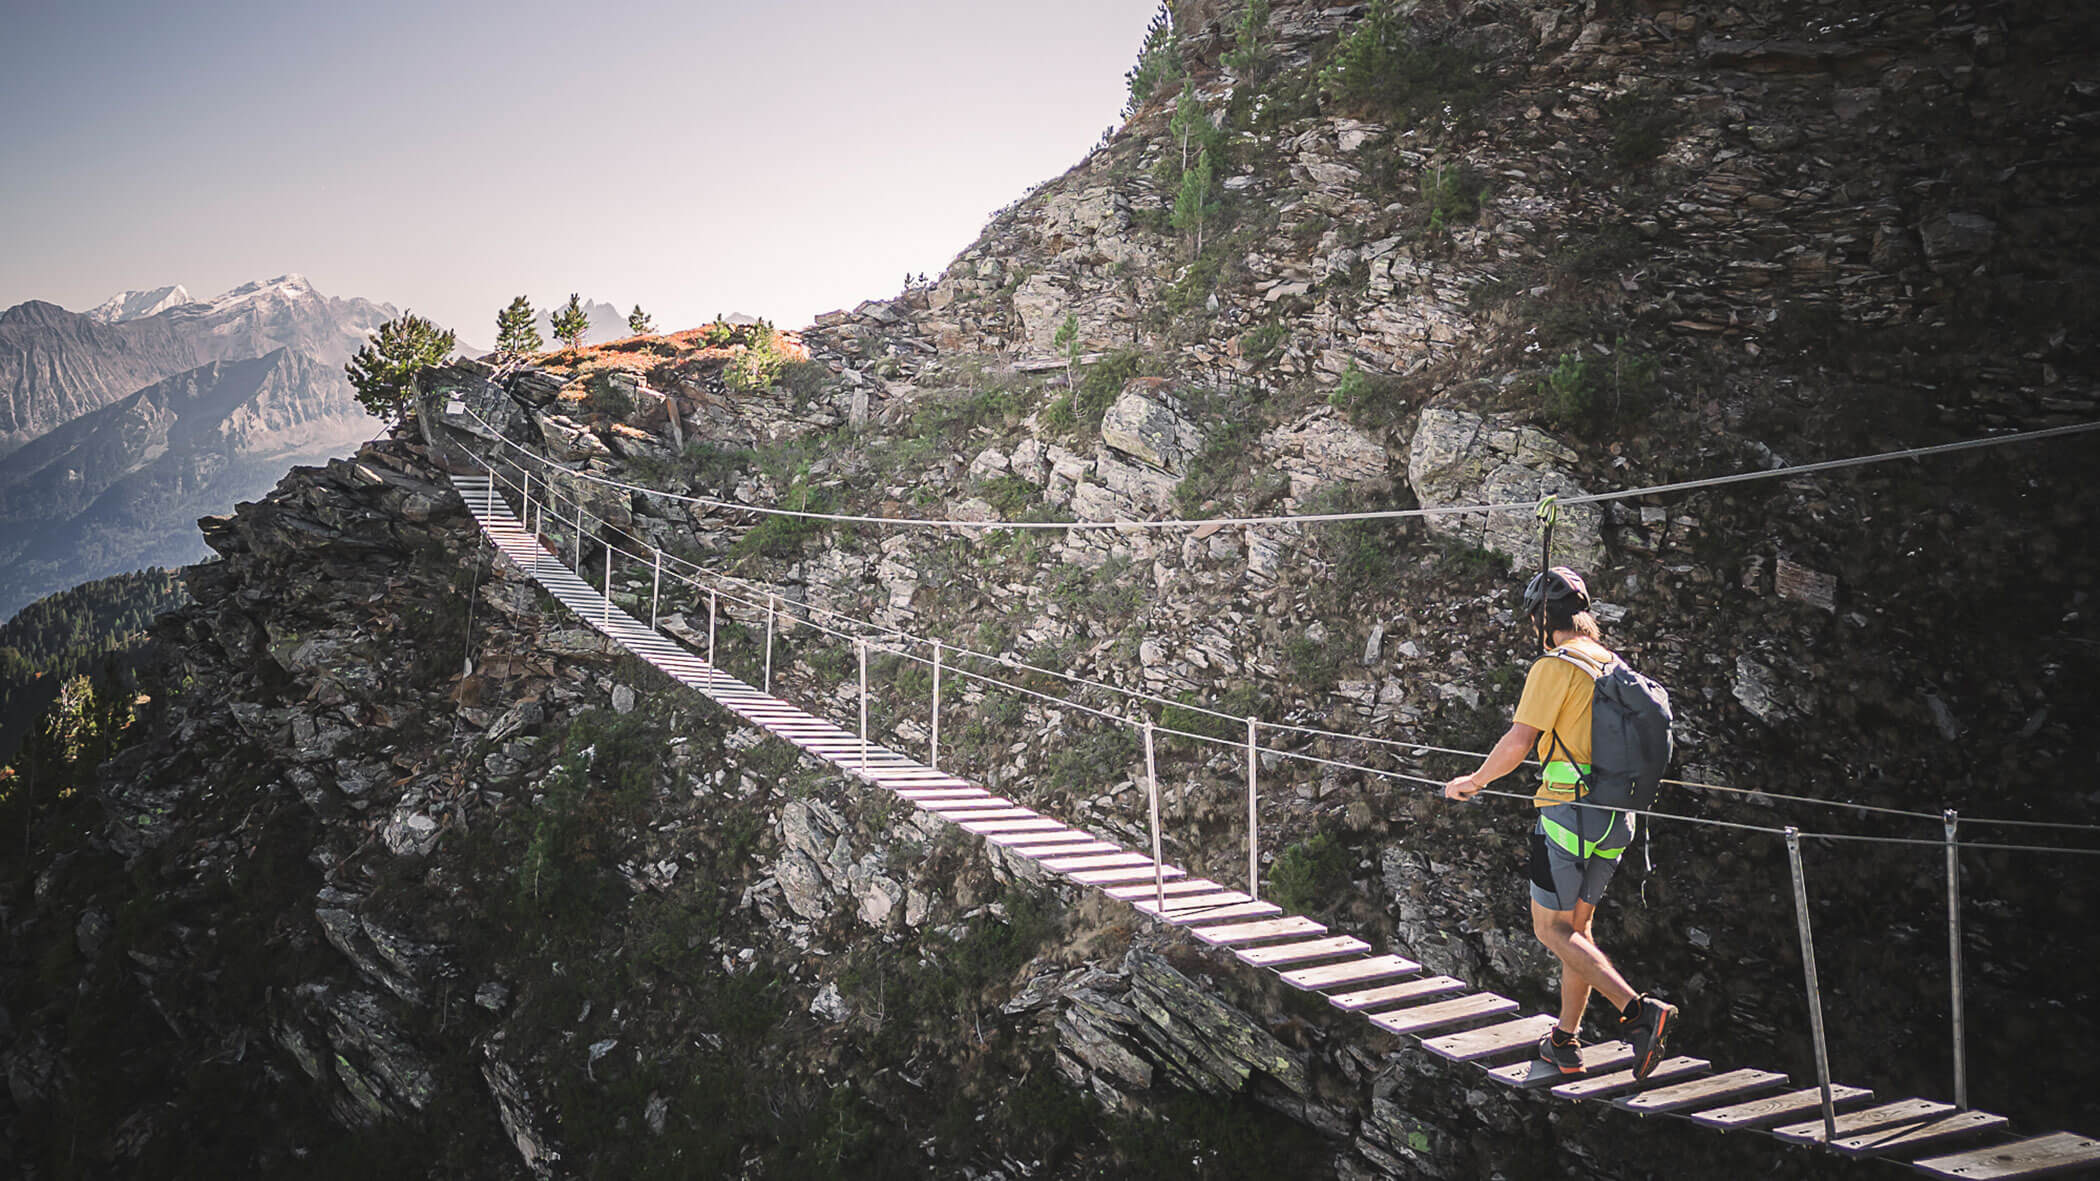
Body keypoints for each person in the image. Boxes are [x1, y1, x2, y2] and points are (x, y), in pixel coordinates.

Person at [1442, 566, 1677, 1079]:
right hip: (1618, 819)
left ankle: (1639, 1012)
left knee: (1551, 929)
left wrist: (1474, 782)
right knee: (1578, 930)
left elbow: (1519, 742)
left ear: (1540, 621)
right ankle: (1565, 1040)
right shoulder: (1610, 664)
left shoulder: (1554, 666)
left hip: (1569, 814)